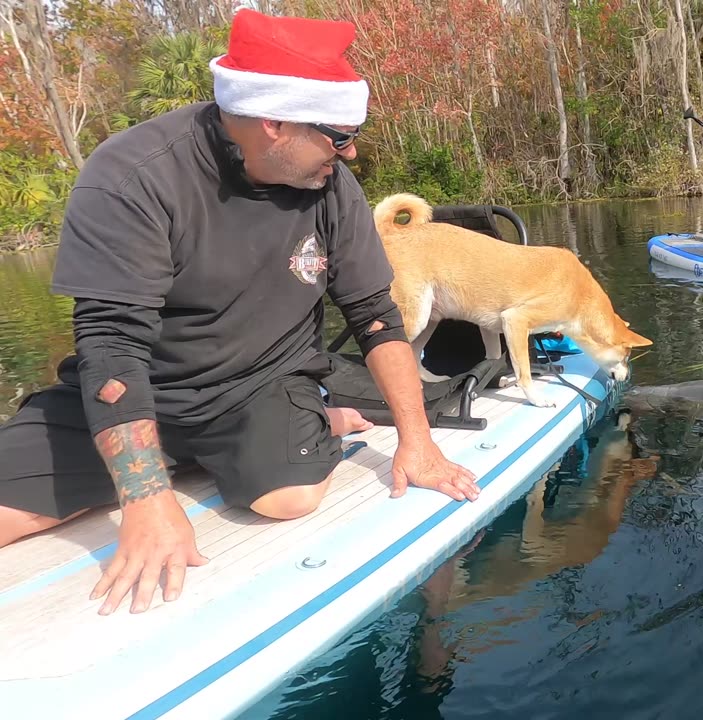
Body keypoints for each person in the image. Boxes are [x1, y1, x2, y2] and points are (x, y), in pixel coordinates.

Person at [0, 9, 480, 616]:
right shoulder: (132, 176)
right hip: (139, 388)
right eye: (337, 135)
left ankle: (307, 419)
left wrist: (419, 442)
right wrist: (146, 499)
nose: (351, 151)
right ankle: (190, 453)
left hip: (260, 386)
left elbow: (374, 315)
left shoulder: (332, 187)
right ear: (274, 121)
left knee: (291, 498)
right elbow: (112, 344)